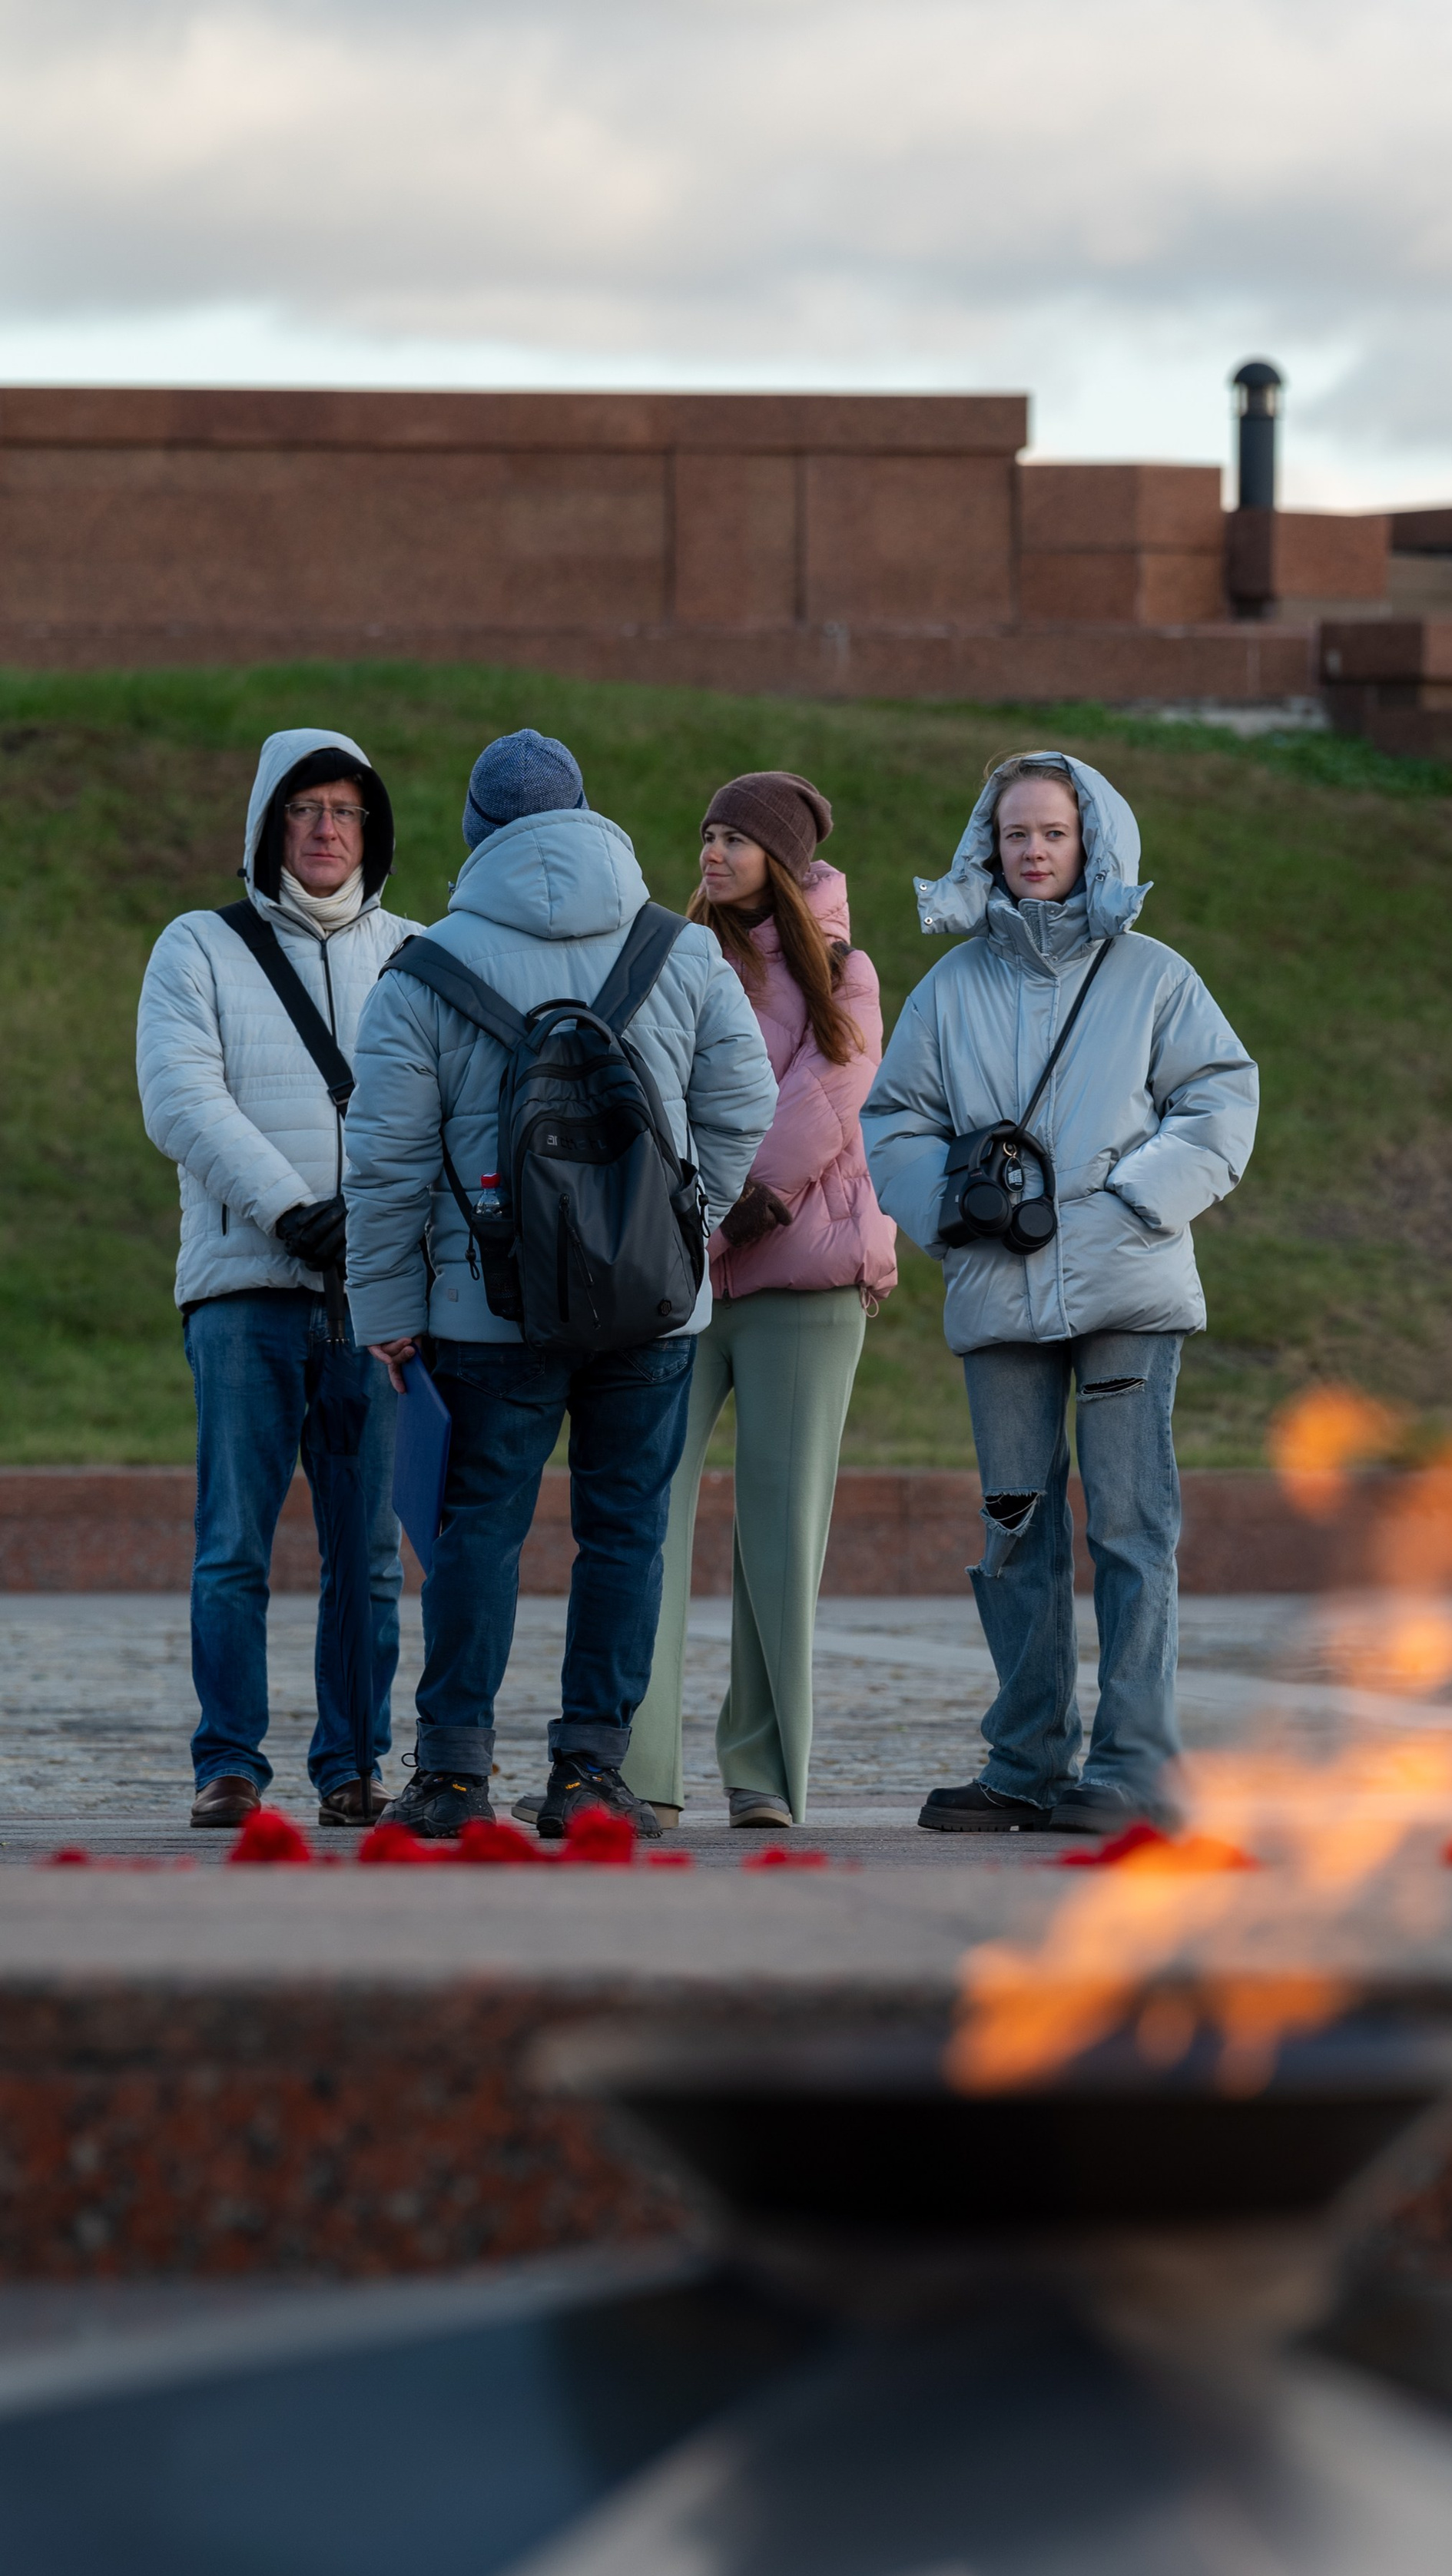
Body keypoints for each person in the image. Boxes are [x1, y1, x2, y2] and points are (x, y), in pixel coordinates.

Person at [344, 730, 776, 1840]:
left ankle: (451, 1774)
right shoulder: (679, 952)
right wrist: (683, 1225)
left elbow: (386, 1162)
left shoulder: (425, 967)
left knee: (477, 1531)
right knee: (625, 1530)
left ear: (477, 835)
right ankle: (591, 1773)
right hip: (653, 1308)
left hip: (485, 1307)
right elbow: (742, 1109)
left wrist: (387, 1311)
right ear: (592, 817)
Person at [862, 751, 1258, 1837]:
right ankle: (1026, 1759)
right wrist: (948, 1210)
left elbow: (1223, 1095)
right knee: (1014, 1533)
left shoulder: (1155, 976)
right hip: (998, 1295)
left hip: (1127, 1288)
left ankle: (1135, 1765)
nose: (1031, 852)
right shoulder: (950, 989)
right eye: (1014, 834)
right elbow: (892, 1120)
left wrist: (1138, 1199)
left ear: (1093, 843)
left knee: (1131, 1527)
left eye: (1052, 833)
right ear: (987, 844)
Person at [136, 728, 417, 1829]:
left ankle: (354, 1764)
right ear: (267, 825)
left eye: (345, 811)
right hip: (245, 1288)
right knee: (233, 1548)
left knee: (371, 1556)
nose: (325, 830)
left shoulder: (415, 949)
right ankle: (230, 1764)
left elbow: (444, 1109)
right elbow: (183, 1098)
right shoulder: (197, 948)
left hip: (378, 1300)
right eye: (304, 809)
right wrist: (293, 1210)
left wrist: (378, 1228)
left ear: (370, 830)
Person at [606, 771, 897, 1833]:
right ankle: (637, 1772)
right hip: (676, 1282)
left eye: (736, 839)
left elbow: (819, 1109)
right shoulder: (671, 956)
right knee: (644, 1514)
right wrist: (682, 1237)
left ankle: (764, 1774)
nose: (713, 854)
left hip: (802, 1278)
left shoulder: (849, 974)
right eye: (707, 834)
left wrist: (708, 1223)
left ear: (781, 857)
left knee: (782, 1536)